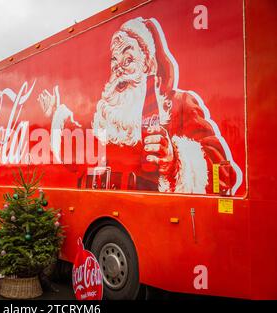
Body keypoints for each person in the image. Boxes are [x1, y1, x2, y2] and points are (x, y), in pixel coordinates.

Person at [39, 17, 242, 195]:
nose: (119, 68)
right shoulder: (108, 115)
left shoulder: (179, 104)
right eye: (115, 62)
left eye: (128, 59)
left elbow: (222, 175)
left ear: (147, 62)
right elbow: (79, 152)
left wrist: (175, 160)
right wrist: (55, 116)